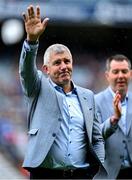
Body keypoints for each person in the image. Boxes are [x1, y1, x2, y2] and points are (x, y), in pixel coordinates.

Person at [19, 4, 107, 179]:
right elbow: (26, 71)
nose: (64, 66)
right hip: (45, 174)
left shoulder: (87, 96)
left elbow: (96, 138)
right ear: (46, 69)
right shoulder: (38, 88)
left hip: (81, 175)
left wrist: (99, 167)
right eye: (57, 63)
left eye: (67, 61)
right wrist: (32, 41)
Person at [95, 54, 132, 179]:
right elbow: (95, 136)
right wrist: (114, 119)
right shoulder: (95, 102)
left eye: (124, 71)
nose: (120, 75)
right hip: (109, 174)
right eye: (116, 71)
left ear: (130, 74)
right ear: (107, 75)